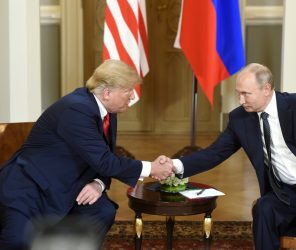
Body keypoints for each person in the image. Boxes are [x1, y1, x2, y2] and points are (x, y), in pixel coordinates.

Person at [171, 63, 296, 250]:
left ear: (266, 89)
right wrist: (176, 165)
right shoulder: (240, 118)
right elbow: (214, 153)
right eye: (238, 93)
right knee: (264, 209)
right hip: (286, 191)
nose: (240, 100)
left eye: (246, 94)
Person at [0, 59, 173, 250]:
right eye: (128, 91)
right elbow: (104, 160)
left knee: (102, 212)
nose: (132, 97)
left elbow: (102, 155)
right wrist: (152, 168)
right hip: (32, 188)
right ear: (107, 93)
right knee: (17, 241)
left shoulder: (106, 111)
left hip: (71, 185)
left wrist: (98, 184)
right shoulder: (77, 109)